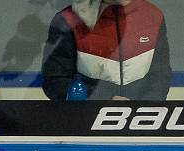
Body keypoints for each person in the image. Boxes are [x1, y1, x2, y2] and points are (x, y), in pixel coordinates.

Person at [41, 0, 171, 101]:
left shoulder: (153, 16)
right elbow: (54, 81)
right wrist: (101, 100)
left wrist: (143, 109)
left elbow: (160, 75)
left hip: (141, 121)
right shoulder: (68, 20)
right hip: (85, 121)